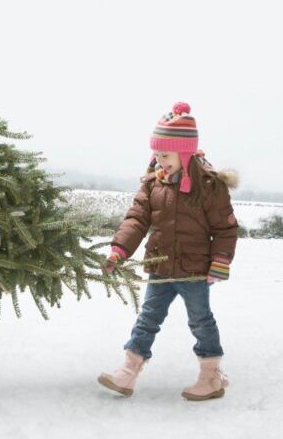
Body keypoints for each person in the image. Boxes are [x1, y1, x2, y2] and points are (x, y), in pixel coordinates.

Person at [97, 102, 238, 401]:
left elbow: (225, 229)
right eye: (157, 154)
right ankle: (128, 371)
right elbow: (136, 220)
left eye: (166, 155)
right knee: (147, 317)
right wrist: (119, 250)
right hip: (160, 265)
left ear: (184, 153)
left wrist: (220, 262)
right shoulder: (152, 184)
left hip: (193, 270)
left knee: (200, 320)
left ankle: (211, 376)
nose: (160, 161)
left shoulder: (208, 185)